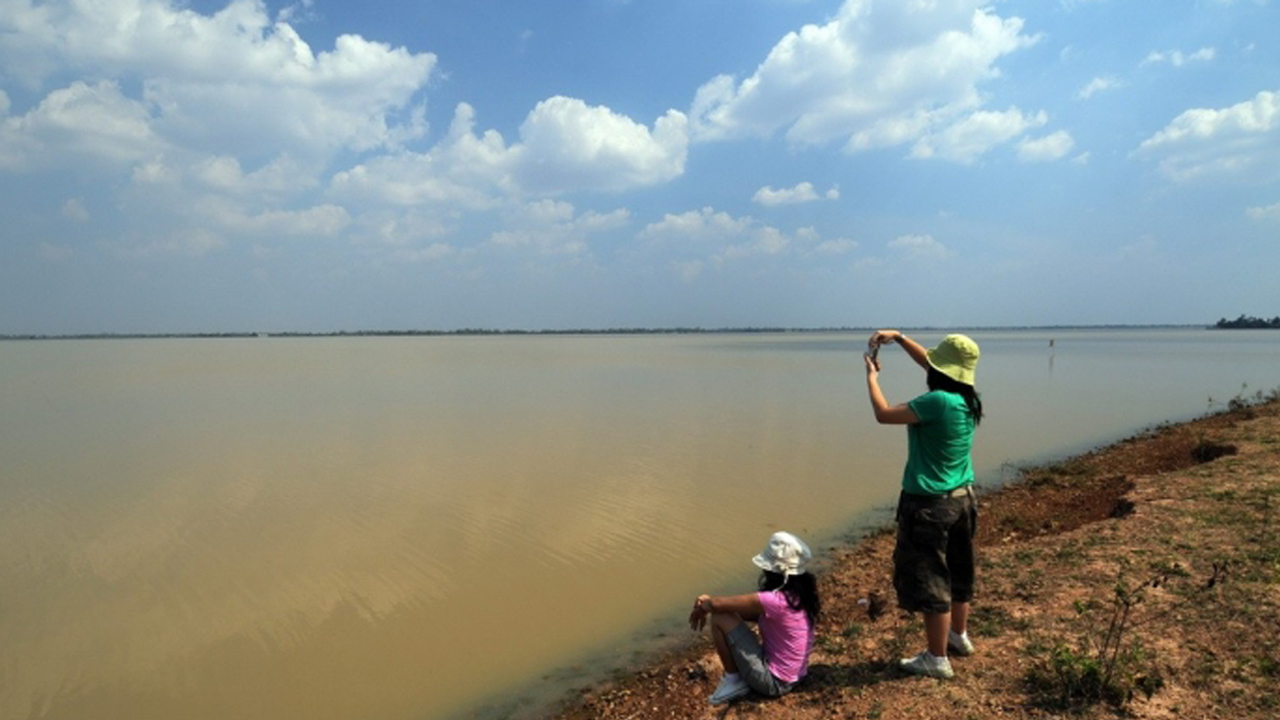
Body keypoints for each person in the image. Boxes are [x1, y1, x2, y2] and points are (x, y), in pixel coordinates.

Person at [864, 330, 982, 679]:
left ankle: (936, 657)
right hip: (963, 498)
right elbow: (931, 365)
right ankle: (958, 637)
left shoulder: (937, 402)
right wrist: (899, 338)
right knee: (959, 571)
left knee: (933, 579)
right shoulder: (966, 398)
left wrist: (871, 377)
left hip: (930, 505)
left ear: (940, 371)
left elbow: (884, 414)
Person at [688, 531, 821, 705]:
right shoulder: (798, 596)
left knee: (720, 617)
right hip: (795, 676)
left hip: (774, 683)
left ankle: (733, 680)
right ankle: (737, 678)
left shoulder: (773, 600)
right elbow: (747, 611)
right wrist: (711, 604)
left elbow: (718, 606)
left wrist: (705, 605)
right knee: (726, 611)